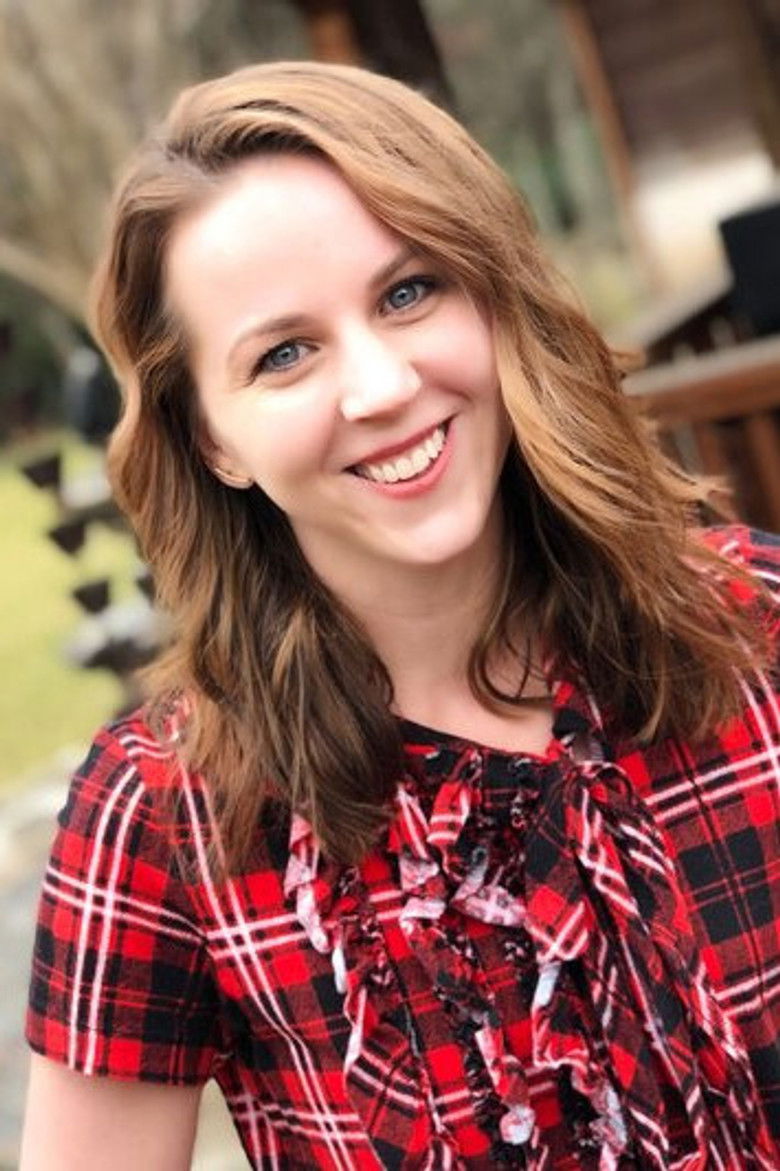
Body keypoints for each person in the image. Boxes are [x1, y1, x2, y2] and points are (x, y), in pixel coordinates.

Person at [20, 60, 780, 1171]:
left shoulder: (756, 628)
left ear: (496, 293)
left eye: (409, 292)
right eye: (284, 354)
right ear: (213, 439)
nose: (379, 386)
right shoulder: (162, 818)